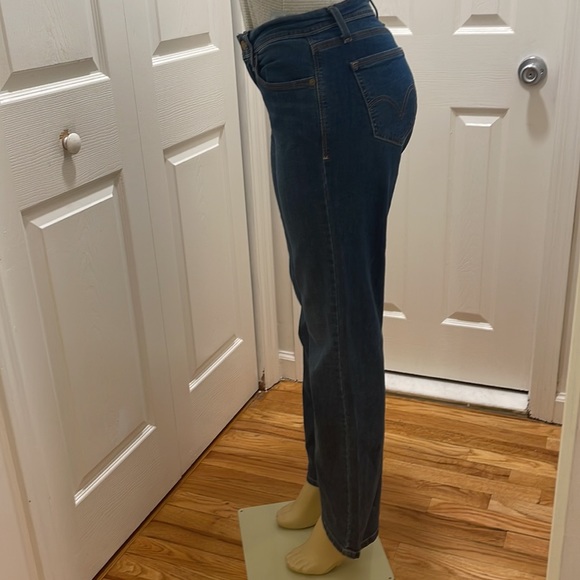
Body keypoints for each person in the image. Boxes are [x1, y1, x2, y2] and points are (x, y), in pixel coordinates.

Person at [237, 0, 417, 574]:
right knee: (323, 311)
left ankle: (346, 529)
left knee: (340, 322)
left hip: (329, 66)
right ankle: (324, 484)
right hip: (312, 67)